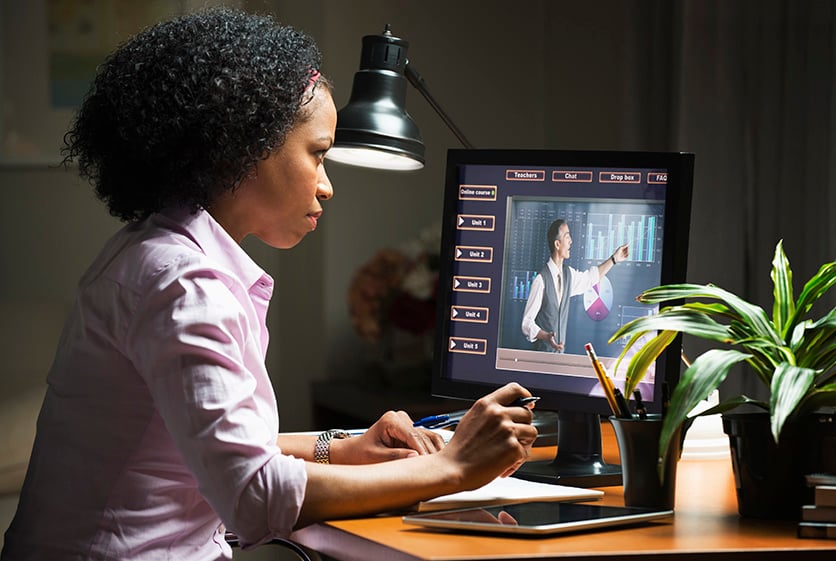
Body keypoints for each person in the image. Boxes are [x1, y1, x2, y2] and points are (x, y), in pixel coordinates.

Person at [0, 9, 537, 561]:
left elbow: (198, 445)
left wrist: (345, 447)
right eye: (318, 153)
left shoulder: (155, 252)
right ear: (244, 146)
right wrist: (451, 468)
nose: (327, 186)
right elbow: (255, 496)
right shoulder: (185, 285)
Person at [521, 218, 629, 353]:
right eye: (567, 237)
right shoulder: (541, 280)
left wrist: (614, 259)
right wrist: (546, 336)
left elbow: (591, 277)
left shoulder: (568, 275)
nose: (571, 241)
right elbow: (526, 324)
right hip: (541, 358)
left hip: (559, 358)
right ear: (557, 244)